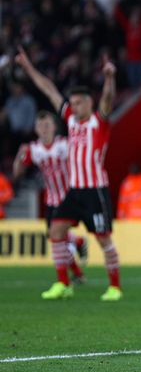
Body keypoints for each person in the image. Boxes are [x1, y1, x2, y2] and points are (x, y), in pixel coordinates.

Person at [16, 47, 122, 302]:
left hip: (95, 190)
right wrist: (29, 68)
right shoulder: (70, 120)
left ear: (88, 103)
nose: (72, 107)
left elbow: (108, 99)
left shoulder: (99, 121)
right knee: (56, 230)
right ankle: (64, 283)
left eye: (78, 103)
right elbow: (49, 90)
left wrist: (109, 77)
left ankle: (115, 286)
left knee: (103, 239)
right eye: (71, 103)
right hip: (74, 191)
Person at [13, 111, 88, 289]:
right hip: (52, 200)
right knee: (57, 239)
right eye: (40, 126)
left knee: (57, 238)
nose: (44, 129)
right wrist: (19, 156)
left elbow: (81, 159)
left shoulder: (64, 144)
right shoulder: (33, 149)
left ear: (55, 127)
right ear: (35, 129)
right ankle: (77, 259)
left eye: (47, 125)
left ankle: (64, 282)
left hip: (69, 197)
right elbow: (17, 173)